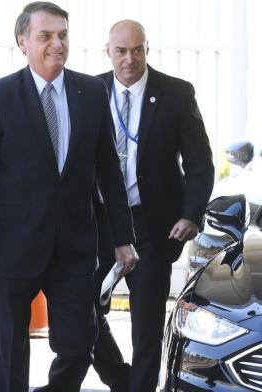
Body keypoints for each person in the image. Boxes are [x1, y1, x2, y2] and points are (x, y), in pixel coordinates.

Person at [0, 2, 139, 392]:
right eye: (45, 36)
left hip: (73, 244)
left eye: (63, 35)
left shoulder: (91, 91)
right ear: (23, 42)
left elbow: (109, 169)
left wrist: (123, 238)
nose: (56, 44)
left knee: (78, 343)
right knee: (8, 351)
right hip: (11, 244)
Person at [91, 20, 215, 392]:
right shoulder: (90, 91)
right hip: (98, 222)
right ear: (108, 51)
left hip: (152, 224)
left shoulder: (175, 94)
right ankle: (121, 380)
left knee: (146, 328)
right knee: (81, 314)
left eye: (137, 50)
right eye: (121, 51)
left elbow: (199, 161)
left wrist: (191, 213)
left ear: (147, 49)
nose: (129, 59)